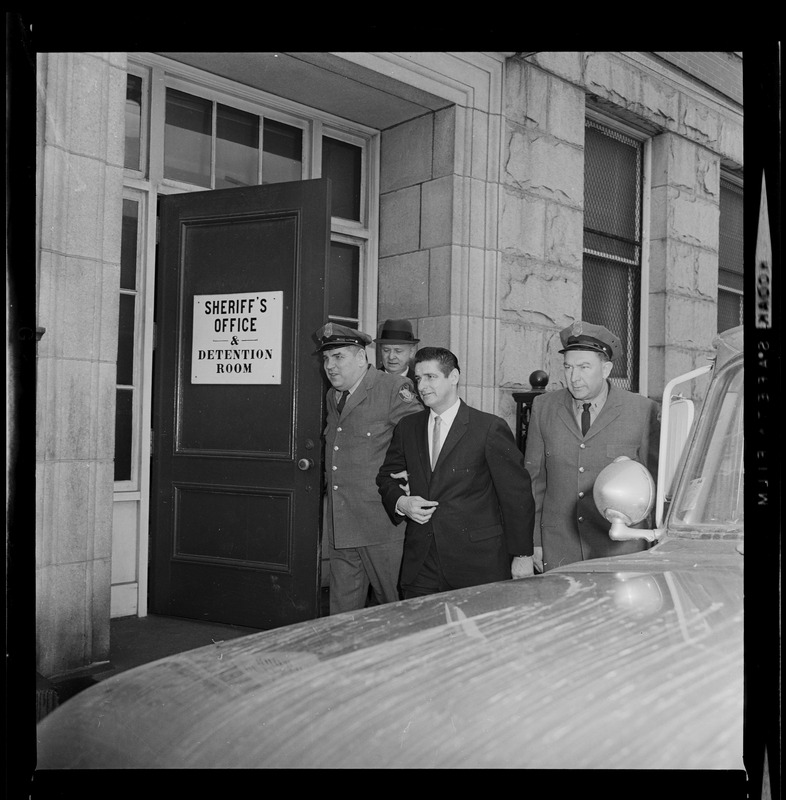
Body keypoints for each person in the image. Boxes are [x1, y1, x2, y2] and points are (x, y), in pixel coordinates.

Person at [377, 347, 536, 598]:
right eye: (418, 379)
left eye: (431, 377)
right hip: (422, 563)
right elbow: (387, 476)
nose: (422, 386)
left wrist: (523, 555)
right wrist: (401, 501)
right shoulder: (408, 428)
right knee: (423, 633)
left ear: (453, 377)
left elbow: (517, 497)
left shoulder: (489, 428)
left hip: (478, 564)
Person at [524, 321, 660, 573]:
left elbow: (655, 485)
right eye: (568, 367)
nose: (573, 378)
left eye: (584, 367)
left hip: (619, 549)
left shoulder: (642, 411)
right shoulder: (544, 408)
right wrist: (533, 541)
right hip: (560, 548)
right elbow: (534, 482)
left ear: (606, 369)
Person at [317, 322, 421, 614]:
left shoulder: (393, 388)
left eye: (338, 357)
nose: (330, 366)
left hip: (381, 524)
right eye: (326, 358)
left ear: (362, 357)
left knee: (395, 607)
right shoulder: (334, 396)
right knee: (343, 613)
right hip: (343, 522)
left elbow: (417, 444)